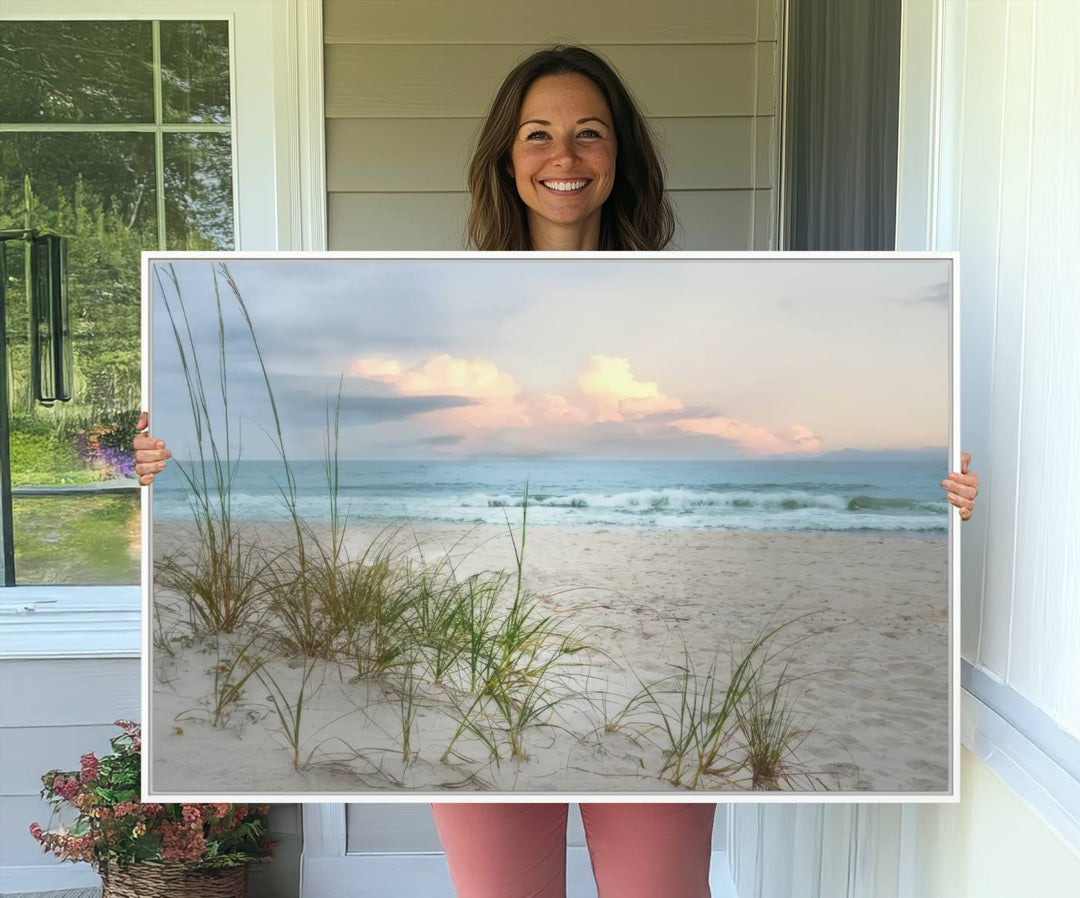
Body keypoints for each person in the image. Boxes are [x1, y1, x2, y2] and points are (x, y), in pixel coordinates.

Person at [134, 45, 979, 898]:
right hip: (464, 673)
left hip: (655, 677)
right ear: (507, 157)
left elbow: (736, 439)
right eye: (538, 135)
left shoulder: (689, 304)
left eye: (589, 134)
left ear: (620, 157)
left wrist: (937, 500)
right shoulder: (442, 304)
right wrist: (166, 464)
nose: (564, 157)